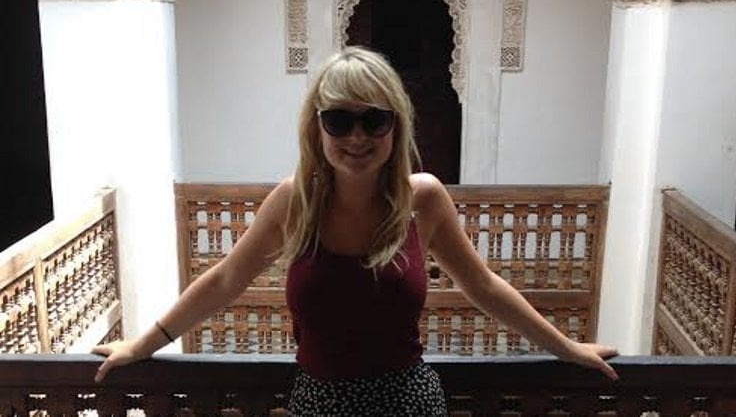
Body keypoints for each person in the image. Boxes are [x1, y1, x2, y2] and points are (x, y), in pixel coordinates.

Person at [92, 46, 618, 416]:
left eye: (374, 120)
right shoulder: (294, 201)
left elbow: (483, 287)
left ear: (396, 125)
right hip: (320, 404)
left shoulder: (424, 199)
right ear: (316, 128)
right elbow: (226, 279)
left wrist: (567, 348)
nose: (357, 137)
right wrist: (143, 344)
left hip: (409, 404)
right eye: (339, 121)